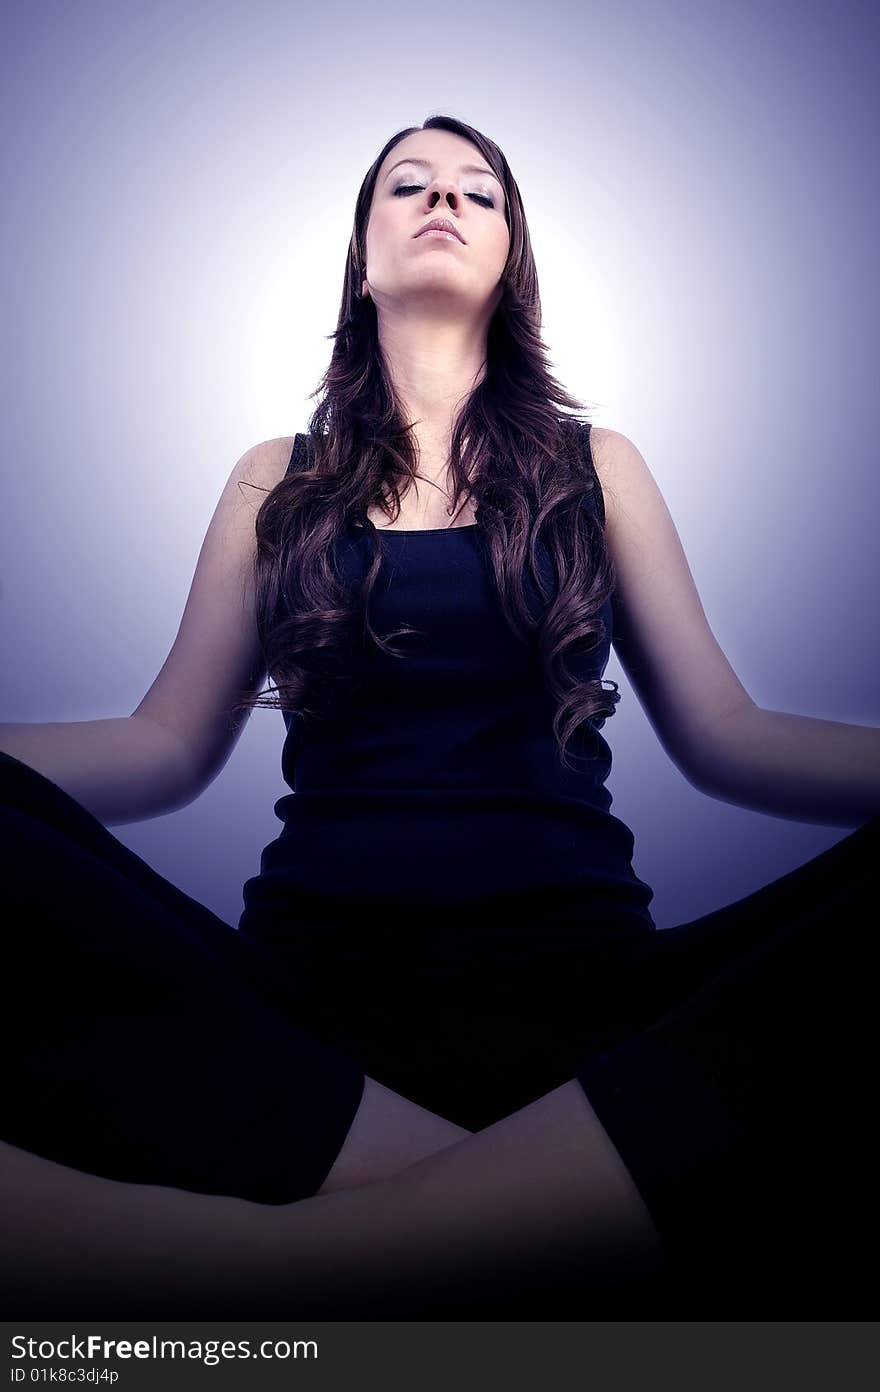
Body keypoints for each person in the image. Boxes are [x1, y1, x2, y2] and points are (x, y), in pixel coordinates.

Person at [2, 115, 878, 1321]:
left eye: (479, 191)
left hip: (590, 994)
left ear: (510, 256)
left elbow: (728, 735)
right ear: (362, 258)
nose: (443, 201)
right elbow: (162, 751)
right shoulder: (277, 475)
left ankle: (317, 1254)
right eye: (406, 185)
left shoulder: (596, 466)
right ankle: (547, 1219)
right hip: (306, 1012)